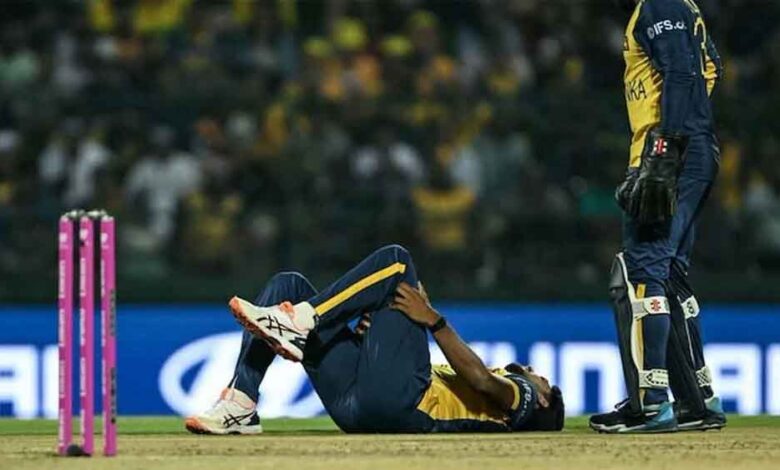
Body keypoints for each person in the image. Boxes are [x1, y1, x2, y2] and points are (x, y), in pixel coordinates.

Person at [185, 245, 564, 434]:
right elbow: (424, 368)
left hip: (403, 407)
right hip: (360, 405)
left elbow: (480, 379)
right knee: (289, 285)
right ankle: (241, 405)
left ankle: (302, 320)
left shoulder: (524, 401)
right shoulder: (476, 385)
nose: (534, 372)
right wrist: (370, 343)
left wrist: (434, 321)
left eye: (542, 379)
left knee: (397, 262)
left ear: (544, 398)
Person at [589, 0, 726, 433]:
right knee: (669, 275)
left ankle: (650, 403)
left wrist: (665, 145)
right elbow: (711, 68)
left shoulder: (659, 5)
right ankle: (697, 400)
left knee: (641, 271)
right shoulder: (682, 5)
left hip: (669, 154)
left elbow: (683, 72)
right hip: (692, 150)